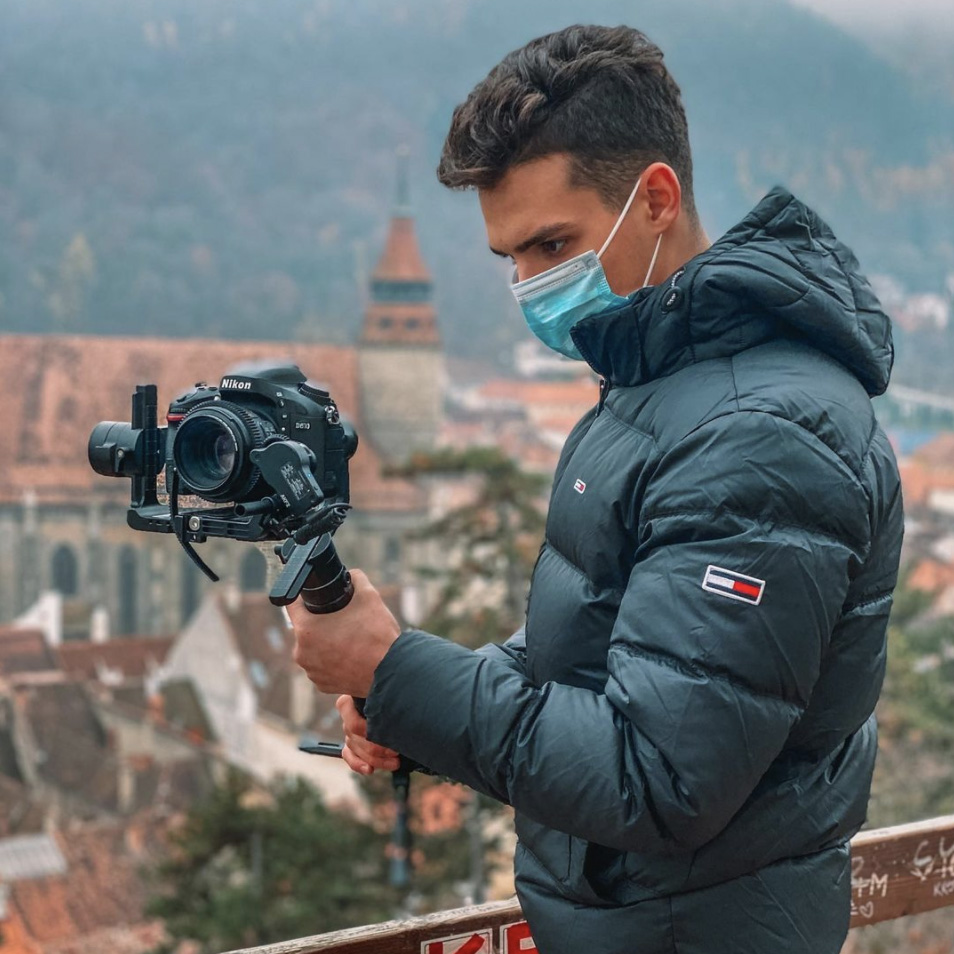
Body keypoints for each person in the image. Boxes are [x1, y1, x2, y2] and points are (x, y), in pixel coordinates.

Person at [288, 24, 903, 954]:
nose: (531, 285)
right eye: (510, 258)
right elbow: (602, 652)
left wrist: (392, 667)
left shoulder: (760, 436)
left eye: (552, 244)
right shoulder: (660, 386)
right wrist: (408, 703)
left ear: (655, 199)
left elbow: (658, 776)